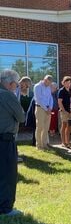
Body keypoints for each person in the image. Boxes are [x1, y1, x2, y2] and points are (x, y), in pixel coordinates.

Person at [0, 69, 25, 216]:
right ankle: (5, 208)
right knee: (7, 175)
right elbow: (21, 117)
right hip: (4, 140)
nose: (17, 87)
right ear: (10, 83)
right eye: (16, 84)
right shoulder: (7, 95)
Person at [34, 75, 53, 150]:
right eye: (48, 83)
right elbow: (38, 100)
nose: (49, 85)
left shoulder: (48, 87)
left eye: (50, 83)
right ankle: (39, 145)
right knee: (40, 127)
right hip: (40, 108)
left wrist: (50, 108)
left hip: (48, 109)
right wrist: (46, 109)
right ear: (45, 80)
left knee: (46, 127)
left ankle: (44, 144)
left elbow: (50, 98)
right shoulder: (37, 86)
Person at [58, 76, 71, 148]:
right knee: (64, 125)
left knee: (70, 126)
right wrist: (64, 111)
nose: (68, 84)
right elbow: (59, 102)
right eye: (66, 82)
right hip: (64, 111)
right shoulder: (61, 91)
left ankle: (68, 141)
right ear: (63, 83)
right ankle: (63, 142)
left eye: (69, 83)